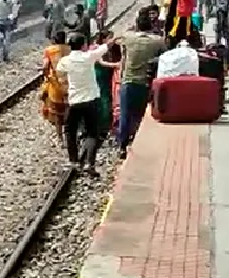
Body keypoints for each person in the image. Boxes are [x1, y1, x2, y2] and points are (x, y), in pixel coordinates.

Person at [56, 32, 116, 177]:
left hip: (74, 101)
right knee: (92, 132)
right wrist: (114, 40)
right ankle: (90, 163)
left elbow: (59, 72)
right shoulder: (89, 56)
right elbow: (105, 47)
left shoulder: (65, 61)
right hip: (91, 100)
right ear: (83, 45)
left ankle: (74, 161)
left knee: (70, 131)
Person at [117, 14, 166, 159]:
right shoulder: (158, 41)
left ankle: (122, 146)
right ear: (151, 26)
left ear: (137, 25)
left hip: (128, 82)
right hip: (145, 83)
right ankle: (138, 145)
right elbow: (165, 55)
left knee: (125, 115)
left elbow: (121, 38)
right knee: (141, 116)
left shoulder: (128, 38)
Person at [39, 31, 71, 149]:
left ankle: (60, 138)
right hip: (70, 84)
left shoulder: (49, 50)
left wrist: (47, 76)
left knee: (58, 114)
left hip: (56, 85)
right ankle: (70, 137)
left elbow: (45, 67)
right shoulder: (70, 49)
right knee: (69, 112)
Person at [94, 33, 122, 141]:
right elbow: (101, 62)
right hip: (101, 74)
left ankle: (108, 122)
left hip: (107, 74)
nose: (112, 40)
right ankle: (104, 125)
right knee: (104, 98)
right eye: (110, 37)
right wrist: (117, 65)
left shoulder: (113, 48)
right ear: (104, 39)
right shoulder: (97, 48)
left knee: (109, 96)